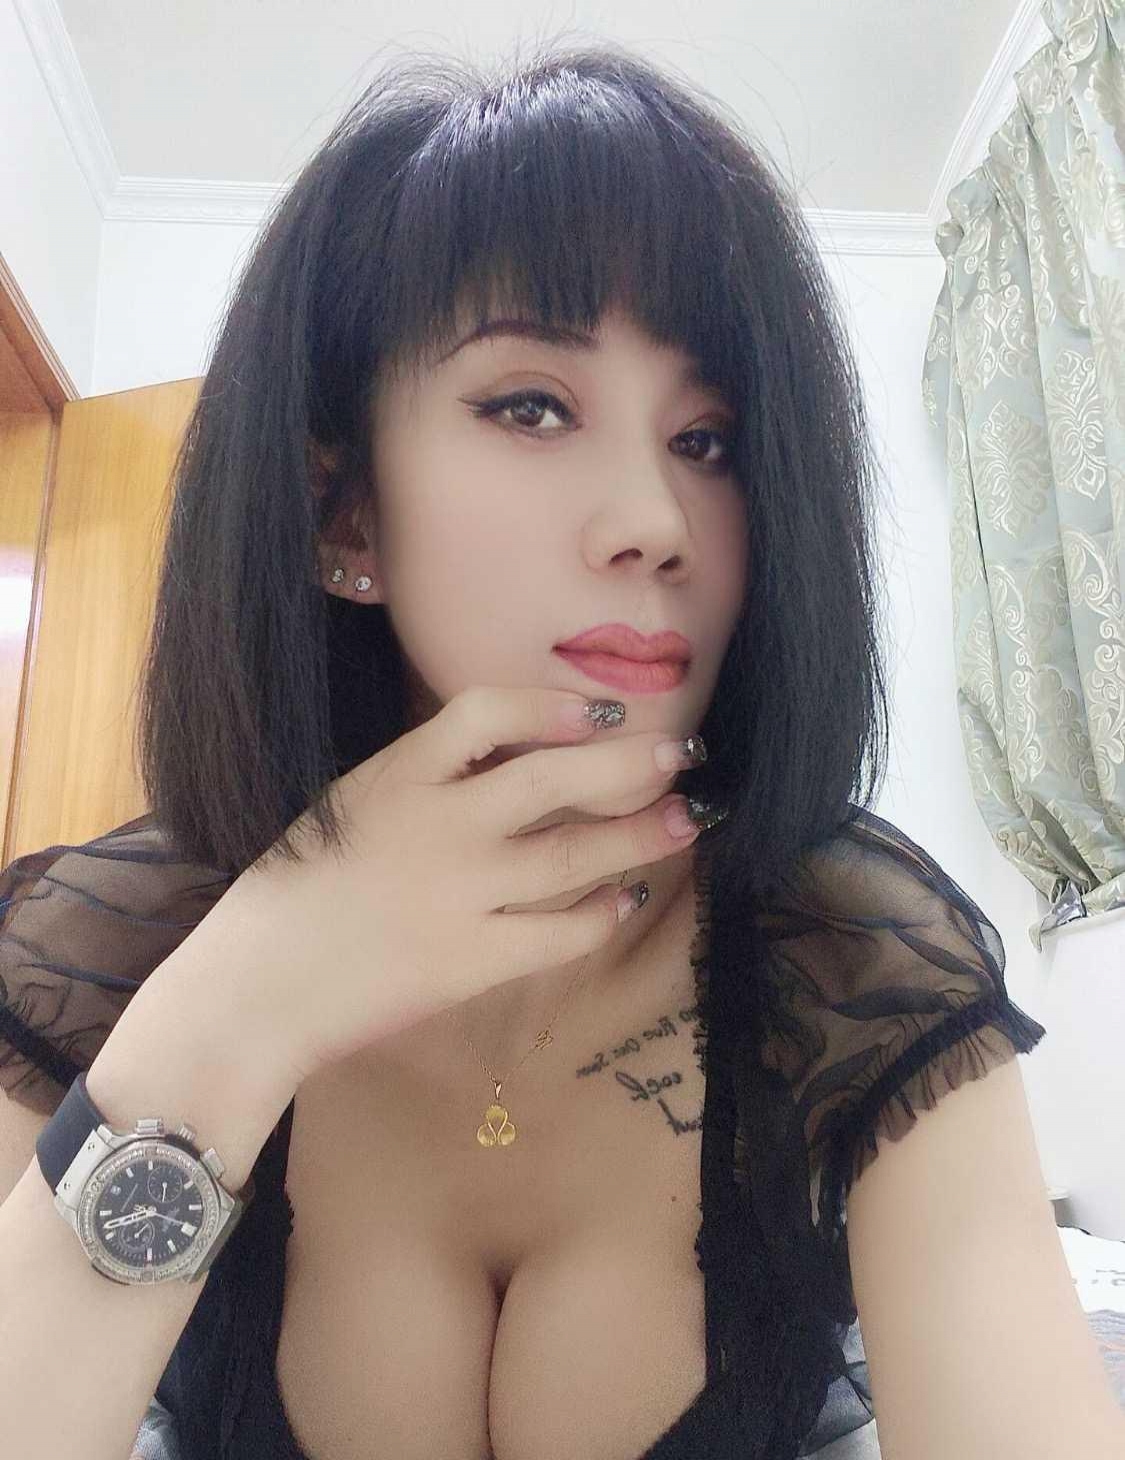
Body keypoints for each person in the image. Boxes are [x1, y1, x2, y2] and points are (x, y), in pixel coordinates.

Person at [0, 36, 1048, 1460]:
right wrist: (240, 1005)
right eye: (532, 407)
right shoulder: (105, 947)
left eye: (709, 440)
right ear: (346, 516)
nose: (656, 523)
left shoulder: (853, 950)